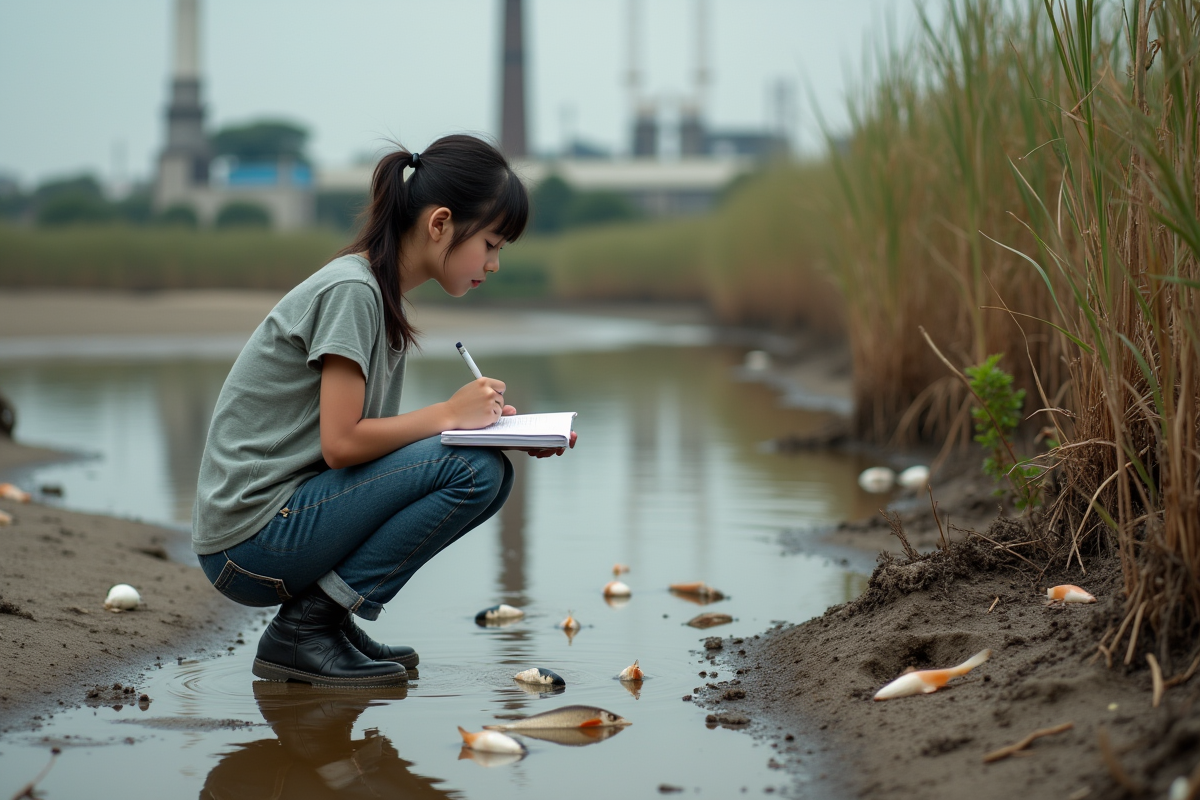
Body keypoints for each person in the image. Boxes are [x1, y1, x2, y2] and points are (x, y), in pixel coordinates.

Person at [192, 135, 575, 688]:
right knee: (474, 471)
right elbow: (343, 445)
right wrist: (448, 414)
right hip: (249, 540)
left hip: (277, 523)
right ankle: (307, 629)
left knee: (490, 471)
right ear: (439, 223)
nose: (493, 264)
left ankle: (324, 623)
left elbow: (367, 451)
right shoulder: (354, 291)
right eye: (491, 244)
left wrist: (496, 430)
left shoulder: (377, 293)